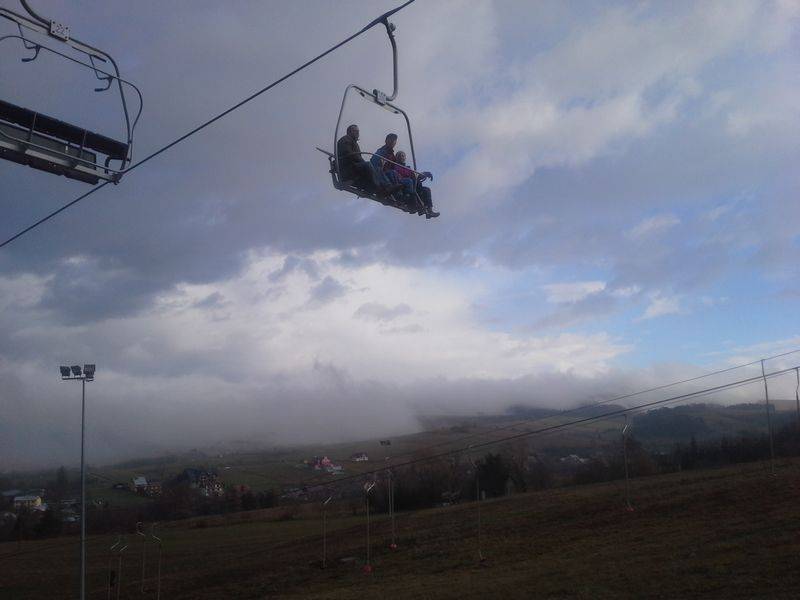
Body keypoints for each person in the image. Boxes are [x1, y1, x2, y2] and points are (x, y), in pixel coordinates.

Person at [336, 125, 402, 196]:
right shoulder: (346, 139)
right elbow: (349, 154)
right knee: (369, 165)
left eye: (358, 131)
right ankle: (381, 189)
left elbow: (356, 156)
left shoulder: (355, 143)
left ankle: (384, 188)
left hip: (354, 167)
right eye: (355, 131)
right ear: (349, 132)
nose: (358, 133)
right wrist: (363, 162)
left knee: (376, 169)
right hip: (348, 168)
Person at [393, 150, 439, 218]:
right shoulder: (395, 166)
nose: (402, 157)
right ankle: (414, 203)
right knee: (410, 182)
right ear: (397, 158)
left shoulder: (408, 168)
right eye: (400, 156)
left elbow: (415, 176)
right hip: (403, 185)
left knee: (426, 190)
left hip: (412, 185)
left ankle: (429, 210)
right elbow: (396, 175)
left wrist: (425, 174)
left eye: (403, 156)